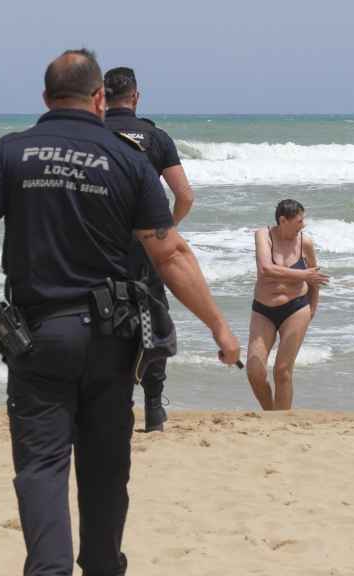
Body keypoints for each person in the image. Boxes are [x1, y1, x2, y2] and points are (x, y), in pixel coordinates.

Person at [0, 49, 240, 576]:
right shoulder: (129, 161)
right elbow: (170, 252)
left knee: (42, 467)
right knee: (105, 467)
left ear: (46, 99)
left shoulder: (10, 153)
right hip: (112, 341)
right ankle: (101, 566)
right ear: (99, 98)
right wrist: (218, 324)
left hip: (40, 337)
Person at [103, 66, 195, 432]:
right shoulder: (156, 137)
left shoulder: (91, 135)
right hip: (145, 245)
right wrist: (164, 229)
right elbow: (185, 196)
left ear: (101, 97)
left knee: (105, 321)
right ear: (136, 97)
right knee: (152, 315)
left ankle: (117, 404)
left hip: (100, 244)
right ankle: (154, 406)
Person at [246, 199, 327, 410]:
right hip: (263, 310)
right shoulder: (263, 235)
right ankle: (270, 411)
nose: (303, 225)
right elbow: (266, 269)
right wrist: (302, 274)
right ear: (283, 220)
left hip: (296, 308)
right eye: (299, 221)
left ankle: (280, 421)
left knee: (282, 371)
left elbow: (314, 278)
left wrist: (312, 308)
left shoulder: (305, 243)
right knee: (255, 371)